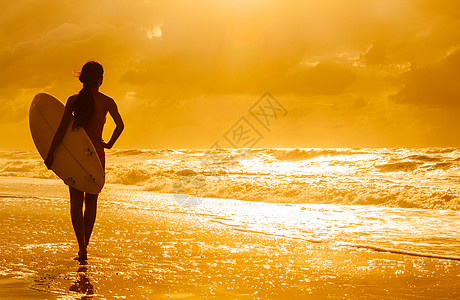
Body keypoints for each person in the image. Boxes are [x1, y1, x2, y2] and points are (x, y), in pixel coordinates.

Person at [45, 61, 124, 262]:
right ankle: (85, 246)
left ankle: (81, 246)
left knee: (75, 202)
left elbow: (62, 129)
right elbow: (120, 125)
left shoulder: (73, 100)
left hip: (77, 154)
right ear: (100, 80)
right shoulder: (107, 101)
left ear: (83, 78)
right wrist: (109, 144)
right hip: (96, 154)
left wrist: (51, 153)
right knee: (91, 203)